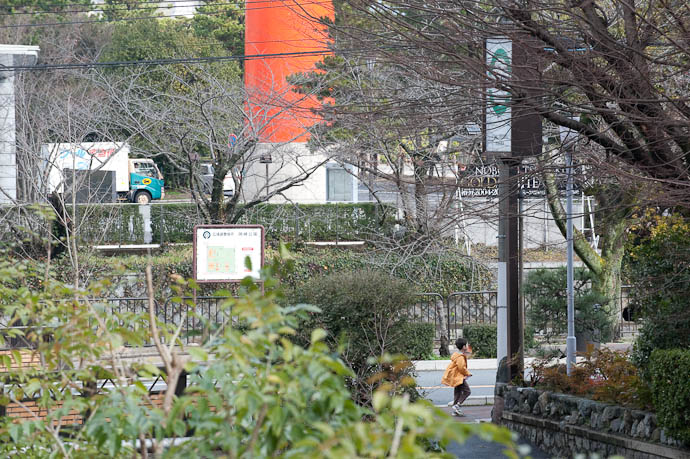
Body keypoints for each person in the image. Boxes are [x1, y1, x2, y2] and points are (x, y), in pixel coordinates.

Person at [441, 337, 472, 416]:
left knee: (457, 393)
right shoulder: (460, 357)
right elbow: (461, 367)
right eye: (466, 345)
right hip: (459, 377)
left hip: (455, 377)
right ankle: (457, 405)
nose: (467, 346)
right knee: (467, 391)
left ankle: (455, 411)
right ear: (464, 347)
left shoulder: (456, 355)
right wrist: (467, 373)